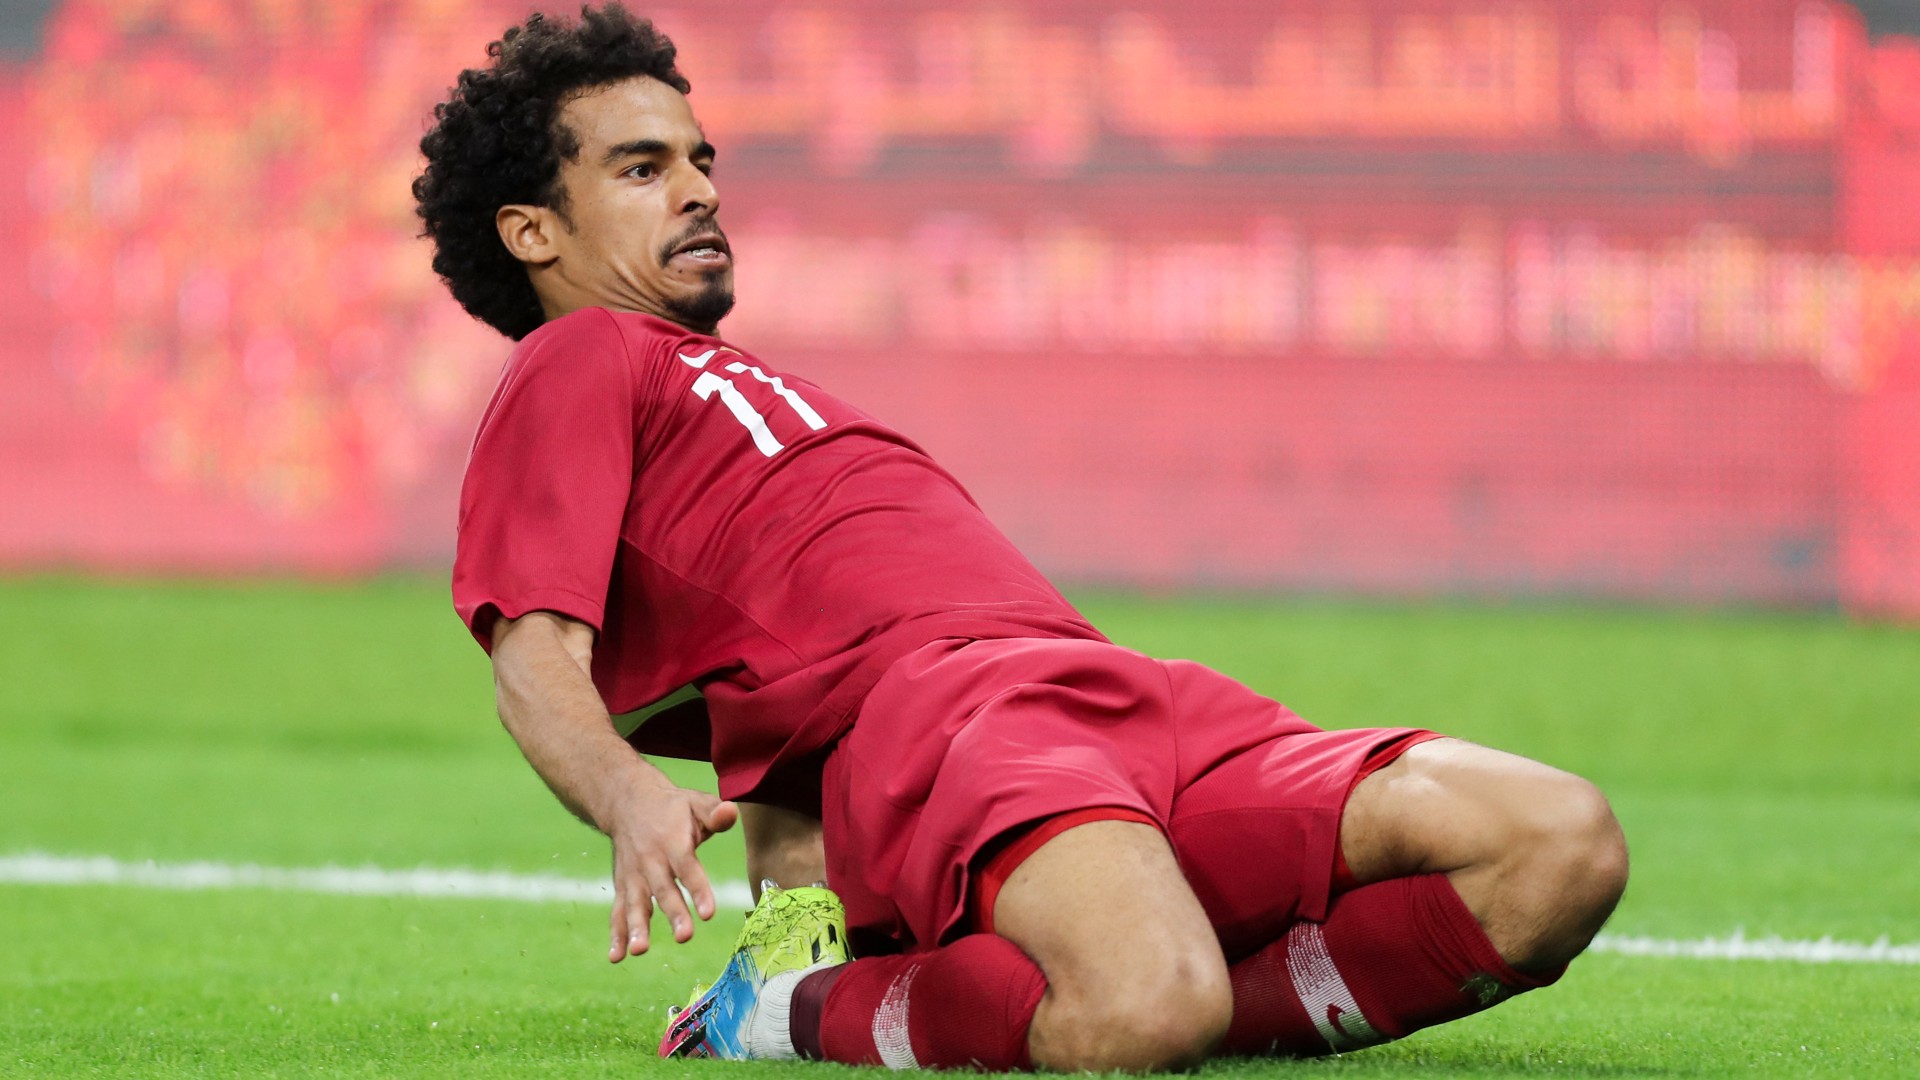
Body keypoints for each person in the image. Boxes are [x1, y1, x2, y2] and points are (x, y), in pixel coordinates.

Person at [413, 5, 1629, 1070]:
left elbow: (773, 709)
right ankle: (784, 1018)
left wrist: (800, 890)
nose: (699, 188)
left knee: (1557, 850)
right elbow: (534, 656)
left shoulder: (734, 393)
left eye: (699, 158)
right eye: (641, 169)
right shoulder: (576, 360)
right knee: (1151, 1002)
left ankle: (1094, 985)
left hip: (1113, 694)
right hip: (959, 724)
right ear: (533, 234)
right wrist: (627, 797)